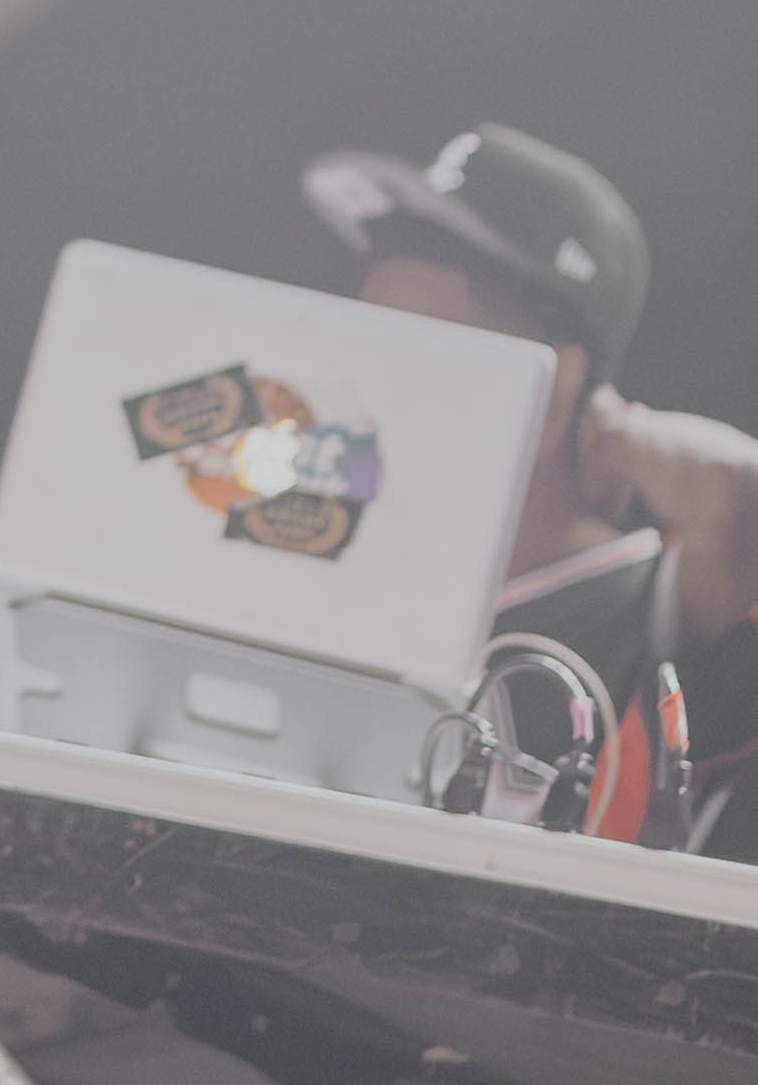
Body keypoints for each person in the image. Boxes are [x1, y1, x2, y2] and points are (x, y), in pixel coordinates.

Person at [308, 121, 758, 847]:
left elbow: (742, 498)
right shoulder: (326, 568)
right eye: (362, 339)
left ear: (555, 379)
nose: (364, 385)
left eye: (413, 347)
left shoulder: (663, 598)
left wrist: (629, 431)